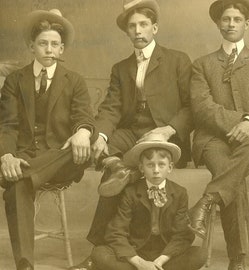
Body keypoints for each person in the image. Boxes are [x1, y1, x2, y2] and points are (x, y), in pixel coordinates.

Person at [70, 1, 192, 269]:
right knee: (107, 148)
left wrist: (169, 128)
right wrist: (100, 135)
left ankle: (98, 250)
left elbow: (190, 106)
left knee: (119, 172)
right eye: (132, 26)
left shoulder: (177, 60)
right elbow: (111, 108)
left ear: (155, 27)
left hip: (164, 135)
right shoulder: (120, 68)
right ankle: (117, 166)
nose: (138, 30)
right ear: (127, 32)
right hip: (131, 133)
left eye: (143, 24)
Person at [188, 0, 249, 269]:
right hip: (212, 140)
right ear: (218, 23)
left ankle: (207, 200)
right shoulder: (202, 64)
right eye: (226, 19)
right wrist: (242, 121)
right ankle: (237, 261)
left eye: (237, 19)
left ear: (247, 24)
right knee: (233, 180)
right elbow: (203, 109)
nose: (231, 24)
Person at [0, 9, 96, 270]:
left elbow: (84, 116)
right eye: (43, 43)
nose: (49, 49)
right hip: (24, 156)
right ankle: (25, 263)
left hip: (61, 160)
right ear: (32, 46)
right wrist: (6, 155)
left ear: (62, 48)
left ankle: (22, 173)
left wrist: (83, 131)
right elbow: (7, 125)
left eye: (55, 44)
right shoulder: (14, 81)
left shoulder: (73, 80)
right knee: (17, 185)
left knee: (77, 146)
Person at [90, 134, 207, 270]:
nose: (156, 170)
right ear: (141, 168)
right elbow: (116, 232)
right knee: (99, 254)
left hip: (164, 252)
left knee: (199, 254)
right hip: (136, 251)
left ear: (170, 167)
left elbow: (182, 234)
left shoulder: (180, 193)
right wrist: (140, 263)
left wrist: (160, 261)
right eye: (150, 165)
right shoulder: (130, 192)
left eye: (161, 165)